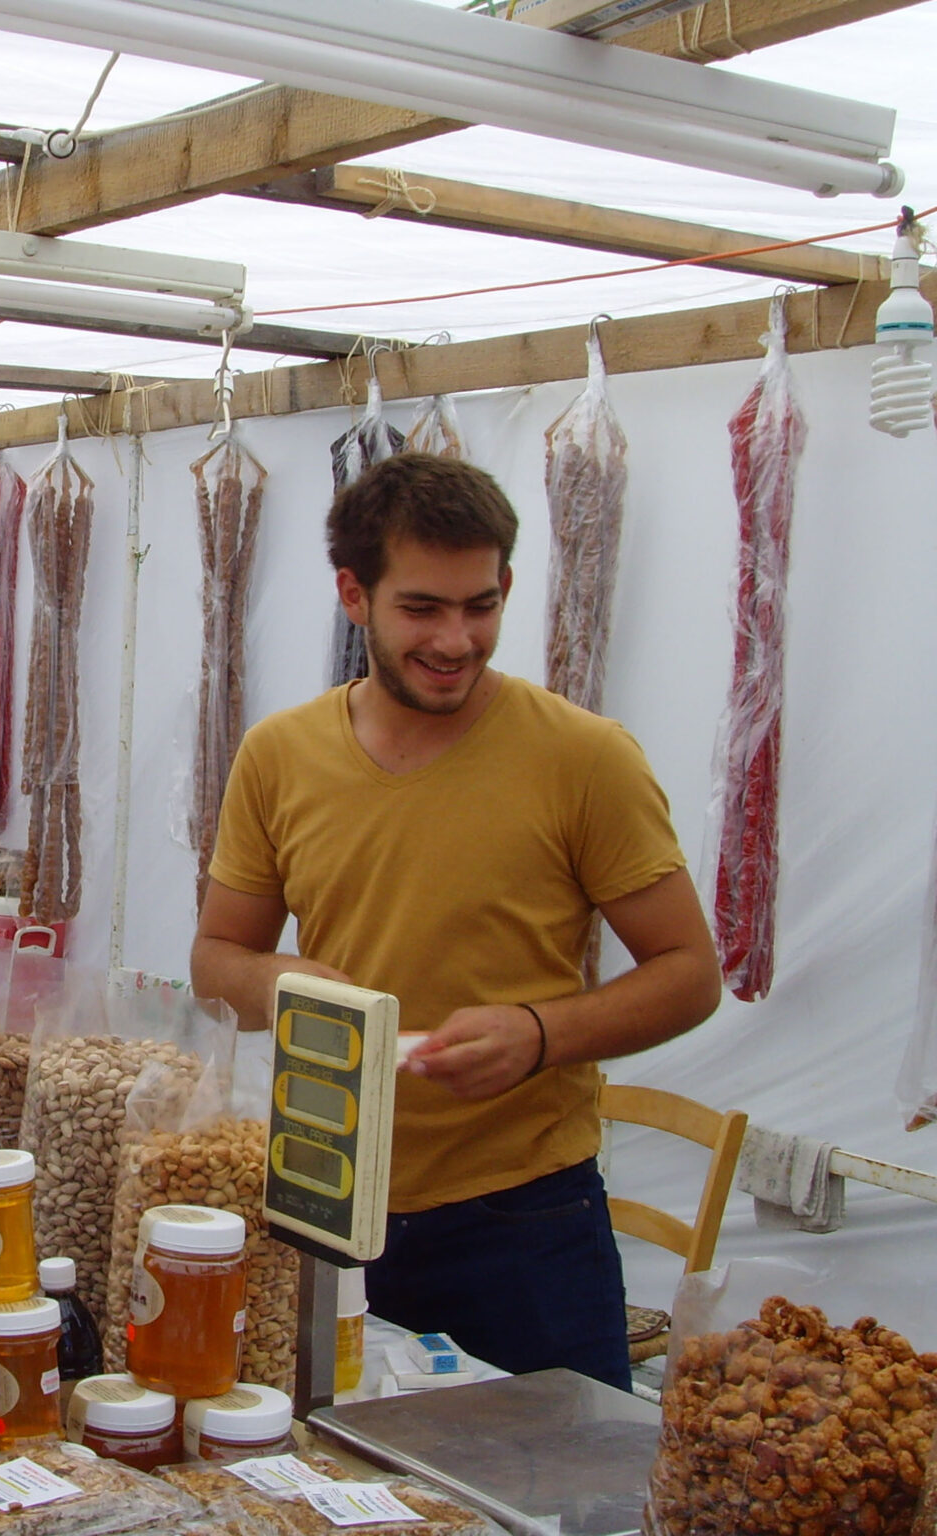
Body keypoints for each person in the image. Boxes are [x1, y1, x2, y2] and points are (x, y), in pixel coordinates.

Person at [190, 453, 720, 1390]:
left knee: (556, 1499)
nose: (457, 639)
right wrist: (281, 984)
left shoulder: (584, 758)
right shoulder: (279, 755)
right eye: (422, 609)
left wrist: (539, 1033)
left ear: (508, 585)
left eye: (480, 605)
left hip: (523, 1219)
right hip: (325, 1193)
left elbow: (688, 973)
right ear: (354, 595)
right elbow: (217, 958)